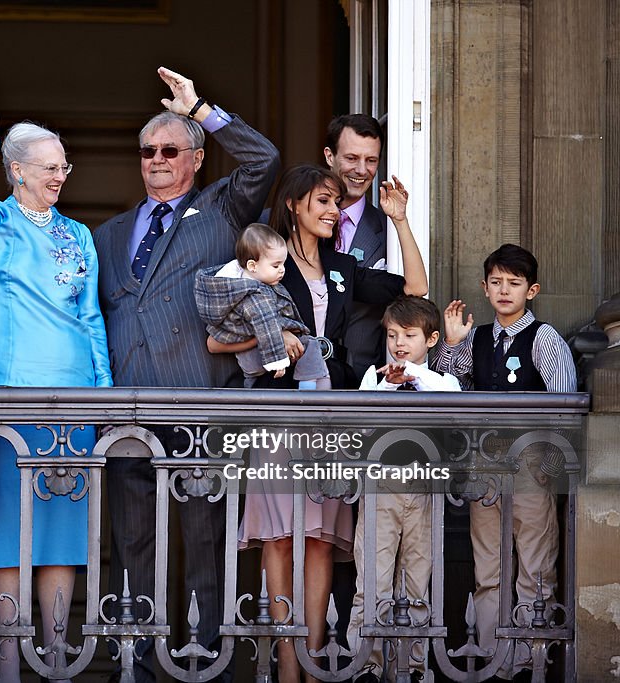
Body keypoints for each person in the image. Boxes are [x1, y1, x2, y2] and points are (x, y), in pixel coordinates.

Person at [93, 66, 279, 682]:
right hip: (126, 408)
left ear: (196, 158)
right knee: (133, 546)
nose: (156, 160)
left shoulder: (220, 207)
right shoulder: (109, 233)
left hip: (200, 404)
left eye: (170, 150)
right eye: (147, 152)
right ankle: (136, 663)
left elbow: (263, 159)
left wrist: (200, 108)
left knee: (205, 540)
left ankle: (208, 661)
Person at [221, 164, 427, 683]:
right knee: (279, 536)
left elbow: (417, 289)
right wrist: (274, 342)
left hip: (331, 405)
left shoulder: (342, 264)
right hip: (277, 407)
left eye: (337, 203)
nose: (335, 211)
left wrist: (399, 220)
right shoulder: (261, 263)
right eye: (324, 202)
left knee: (318, 537)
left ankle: (312, 666)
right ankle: (287, 665)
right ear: (294, 205)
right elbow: (217, 339)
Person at [0, 72, 112, 683]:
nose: (58, 176)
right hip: (10, 392)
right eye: (47, 167)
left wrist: (102, 393)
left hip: (73, 397)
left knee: (63, 533)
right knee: (11, 531)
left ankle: (54, 659)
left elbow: (92, 314)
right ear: (16, 169)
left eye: (64, 167)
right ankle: (5, 666)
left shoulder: (78, 234)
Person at [433, 243, 576, 680]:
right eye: (496, 282)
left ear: (531, 290)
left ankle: (533, 663)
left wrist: (546, 470)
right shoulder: (477, 338)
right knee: (489, 570)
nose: (504, 290)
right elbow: (446, 390)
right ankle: (497, 664)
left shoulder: (545, 338)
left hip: (531, 470)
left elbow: (564, 405)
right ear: (484, 287)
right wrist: (453, 344)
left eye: (514, 283)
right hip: (485, 474)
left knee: (535, 571)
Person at [348, 296, 459, 683]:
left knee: (417, 580)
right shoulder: (372, 377)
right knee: (373, 580)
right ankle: (368, 664)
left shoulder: (440, 381)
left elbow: (452, 401)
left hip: (425, 492)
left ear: (430, 340)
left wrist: (413, 376)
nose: (399, 343)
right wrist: (387, 384)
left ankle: (413, 666)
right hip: (380, 489)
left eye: (409, 335)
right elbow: (360, 423)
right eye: (393, 335)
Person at [195, 222, 331, 389]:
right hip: (263, 356)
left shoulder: (236, 283)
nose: (282, 270)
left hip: (251, 358)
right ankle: (310, 391)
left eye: (283, 264)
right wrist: (277, 359)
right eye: (276, 265)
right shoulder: (254, 295)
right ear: (252, 265)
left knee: (254, 385)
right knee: (310, 346)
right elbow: (265, 322)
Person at [323, 114, 391, 379]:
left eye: (371, 160)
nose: (362, 170)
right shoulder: (292, 221)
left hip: (363, 381)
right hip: (297, 383)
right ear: (330, 156)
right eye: (351, 158)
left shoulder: (390, 232)